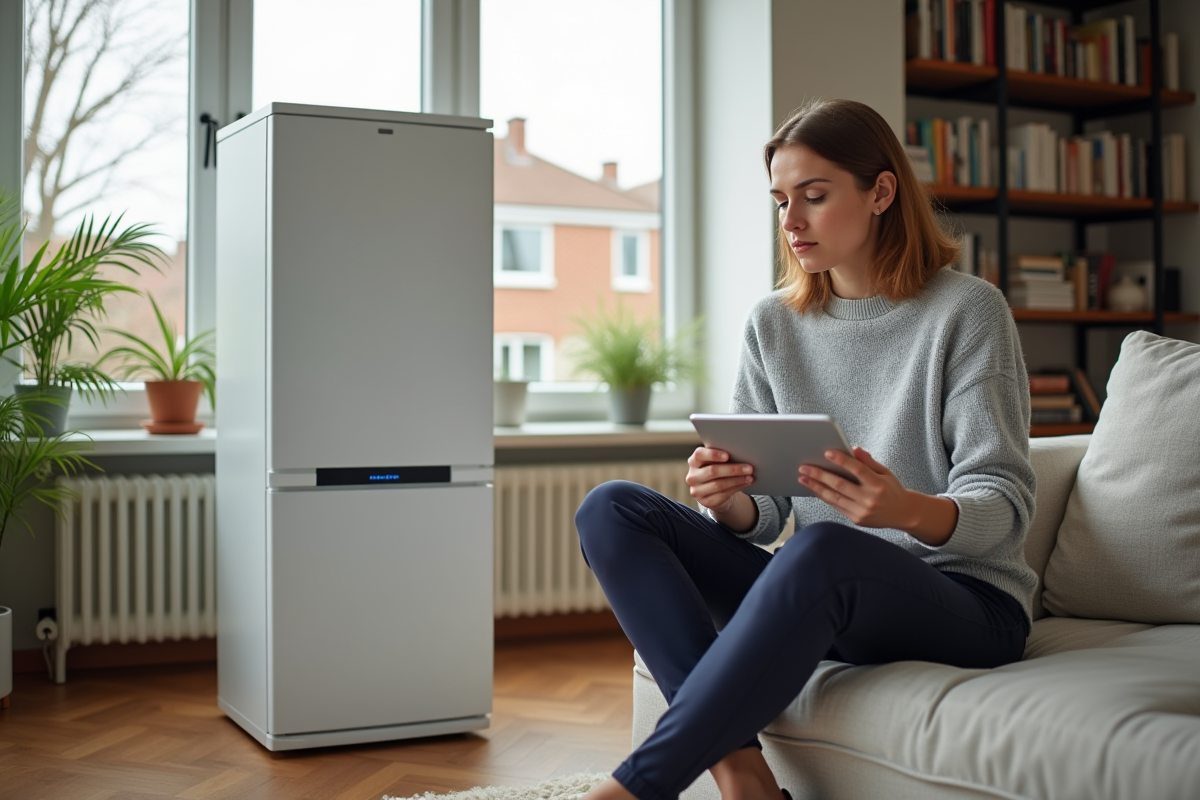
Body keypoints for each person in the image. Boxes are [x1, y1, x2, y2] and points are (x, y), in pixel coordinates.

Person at [574, 98, 1036, 800]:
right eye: (781, 201)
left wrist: (905, 509)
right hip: (829, 595)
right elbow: (765, 516)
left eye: (814, 198)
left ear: (880, 192)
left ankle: (631, 790)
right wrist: (728, 501)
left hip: (966, 603)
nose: (791, 223)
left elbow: (1004, 504)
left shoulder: (968, 311)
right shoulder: (773, 324)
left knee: (820, 551)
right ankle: (746, 776)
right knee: (613, 509)